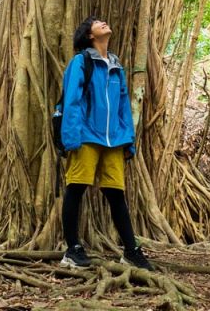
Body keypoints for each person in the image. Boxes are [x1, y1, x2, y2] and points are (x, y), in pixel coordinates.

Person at [58, 16, 153, 271]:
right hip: (87, 135)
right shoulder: (81, 62)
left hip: (114, 140)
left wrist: (128, 140)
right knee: (76, 188)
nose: (103, 23)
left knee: (116, 194)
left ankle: (131, 251)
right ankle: (72, 249)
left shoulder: (116, 65)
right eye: (97, 23)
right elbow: (72, 101)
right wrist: (71, 137)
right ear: (89, 35)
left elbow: (123, 105)